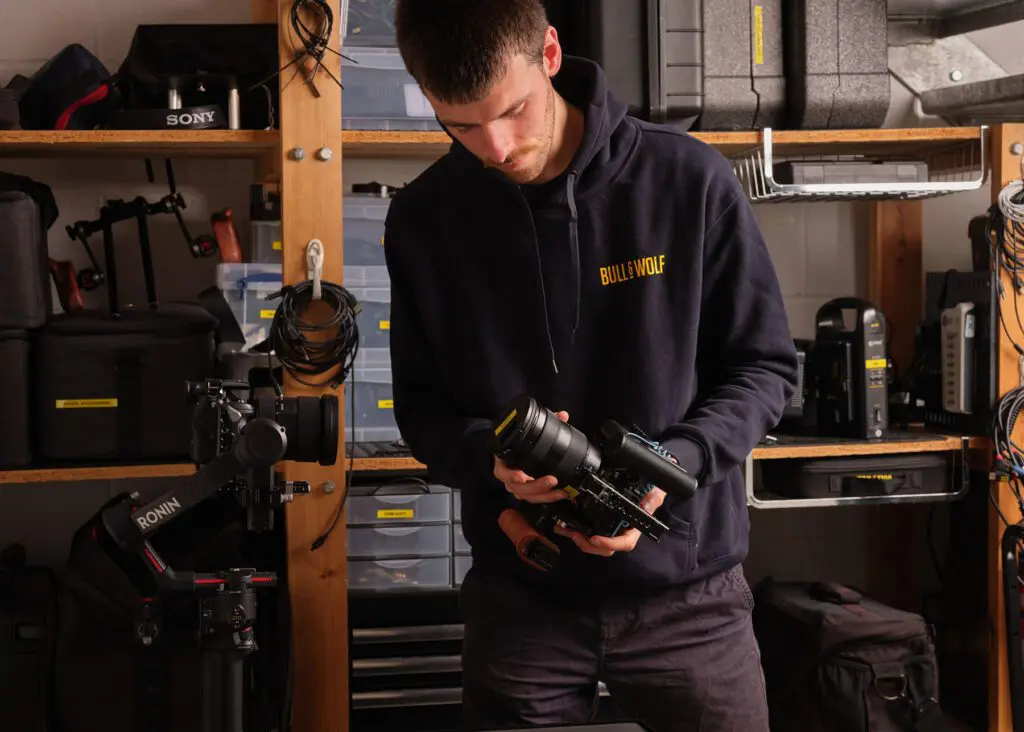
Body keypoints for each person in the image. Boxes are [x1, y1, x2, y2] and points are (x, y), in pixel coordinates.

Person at [382, 1, 799, 730]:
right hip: (522, 597)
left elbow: (764, 368)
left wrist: (675, 462)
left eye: (512, 111)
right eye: (461, 124)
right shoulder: (424, 219)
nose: (496, 146)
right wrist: (489, 459)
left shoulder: (688, 179)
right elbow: (421, 410)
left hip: (688, 598)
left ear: (549, 54)